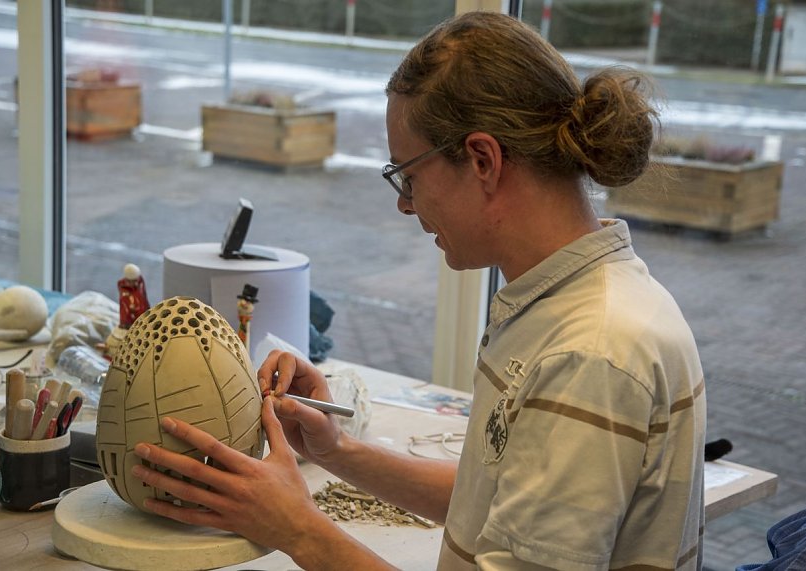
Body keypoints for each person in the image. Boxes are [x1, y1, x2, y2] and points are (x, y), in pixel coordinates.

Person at [129, 11, 706, 570]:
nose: (406, 203)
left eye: (409, 175)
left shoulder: (589, 353)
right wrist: (336, 451)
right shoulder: (562, 304)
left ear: (482, 159)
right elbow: (498, 500)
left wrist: (297, 528)